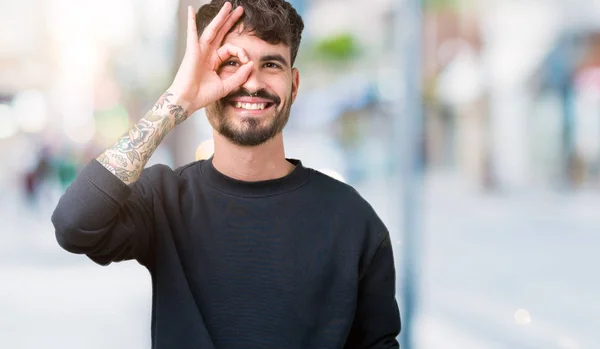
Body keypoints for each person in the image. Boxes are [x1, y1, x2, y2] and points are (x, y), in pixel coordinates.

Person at [51, 0, 401, 348]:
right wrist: (178, 99)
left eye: (271, 64)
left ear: (294, 86)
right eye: (231, 63)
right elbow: (74, 225)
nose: (251, 83)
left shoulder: (352, 218)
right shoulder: (164, 199)